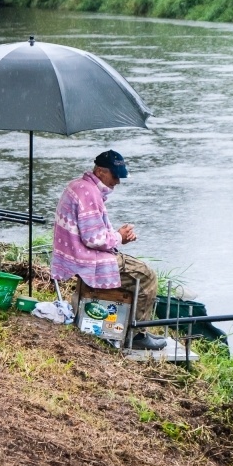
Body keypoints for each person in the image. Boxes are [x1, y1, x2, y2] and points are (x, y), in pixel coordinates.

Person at [51, 150, 165, 351]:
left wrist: (118, 236)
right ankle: (137, 334)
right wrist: (119, 236)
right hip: (85, 258)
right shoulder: (89, 193)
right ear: (101, 171)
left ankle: (128, 326)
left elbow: (93, 229)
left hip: (72, 253)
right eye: (115, 175)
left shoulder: (79, 186)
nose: (118, 181)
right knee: (146, 275)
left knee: (135, 269)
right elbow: (93, 239)